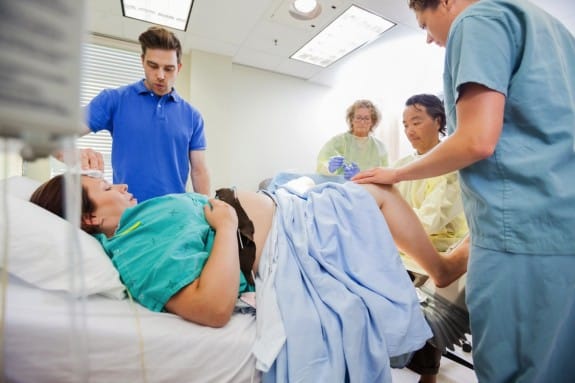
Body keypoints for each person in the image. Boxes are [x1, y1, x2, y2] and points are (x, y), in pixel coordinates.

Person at [353, 0, 575, 382]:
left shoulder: (478, 20)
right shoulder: (552, 32)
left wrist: (396, 175)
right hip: (556, 232)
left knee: (516, 367)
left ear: (447, 2)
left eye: (424, 23)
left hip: (516, 239)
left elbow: (476, 140)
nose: (427, 38)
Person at [62, 26, 210, 202]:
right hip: (127, 211)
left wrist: (208, 210)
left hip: (174, 214)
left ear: (179, 67)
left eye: (168, 69)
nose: (160, 75)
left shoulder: (192, 117)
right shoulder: (114, 100)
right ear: (142, 61)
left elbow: (199, 170)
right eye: (153, 66)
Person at [396, 94, 468, 383]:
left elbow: (427, 222)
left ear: (438, 121)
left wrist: (394, 219)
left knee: (420, 306)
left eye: (416, 121)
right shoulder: (402, 164)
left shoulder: (448, 165)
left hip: (436, 251)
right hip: (401, 247)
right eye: (404, 124)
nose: (409, 130)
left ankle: (429, 374)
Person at [316, 99, 388, 180]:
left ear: (372, 122)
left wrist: (361, 176)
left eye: (366, 118)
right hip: (341, 188)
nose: (362, 122)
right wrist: (328, 168)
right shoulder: (337, 142)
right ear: (351, 119)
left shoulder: (380, 147)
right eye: (358, 117)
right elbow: (321, 164)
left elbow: (385, 176)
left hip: (368, 190)